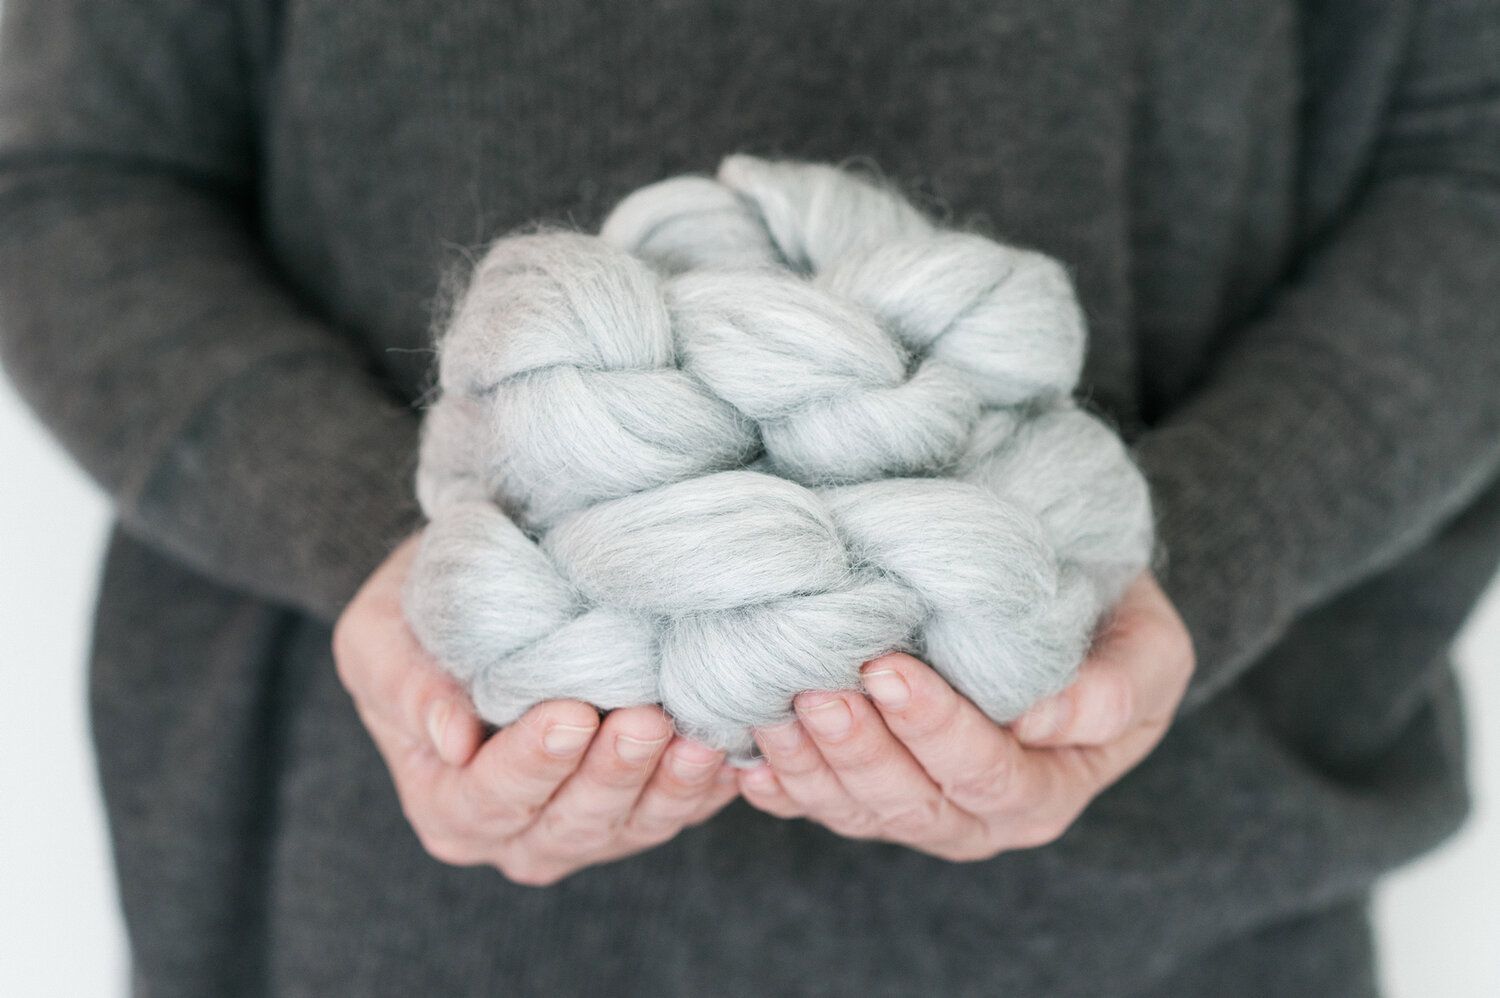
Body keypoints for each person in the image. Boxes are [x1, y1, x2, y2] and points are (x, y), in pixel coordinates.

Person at [1, 1, 1496, 995]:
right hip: (361, 912)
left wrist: (1182, 562)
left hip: (1171, 920)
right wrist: (410, 557)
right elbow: (78, 179)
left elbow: (1471, 158)